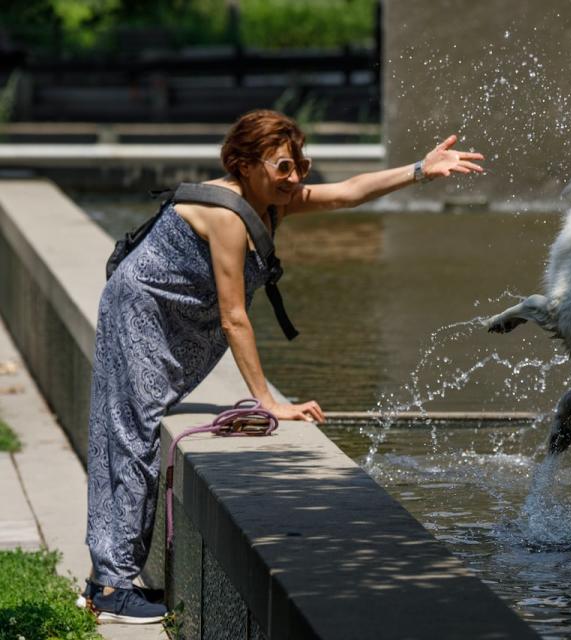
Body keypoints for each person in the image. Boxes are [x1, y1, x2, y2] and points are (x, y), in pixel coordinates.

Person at [81, 109, 484, 623]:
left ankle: (112, 578)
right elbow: (234, 318)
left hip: (176, 318)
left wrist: (421, 169)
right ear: (244, 165)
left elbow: (350, 191)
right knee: (128, 435)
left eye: (300, 165)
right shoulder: (227, 215)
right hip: (141, 313)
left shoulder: (271, 203)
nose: (296, 179)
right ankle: (111, 588)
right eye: (283, 168)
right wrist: (267, 401)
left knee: (133, 430)